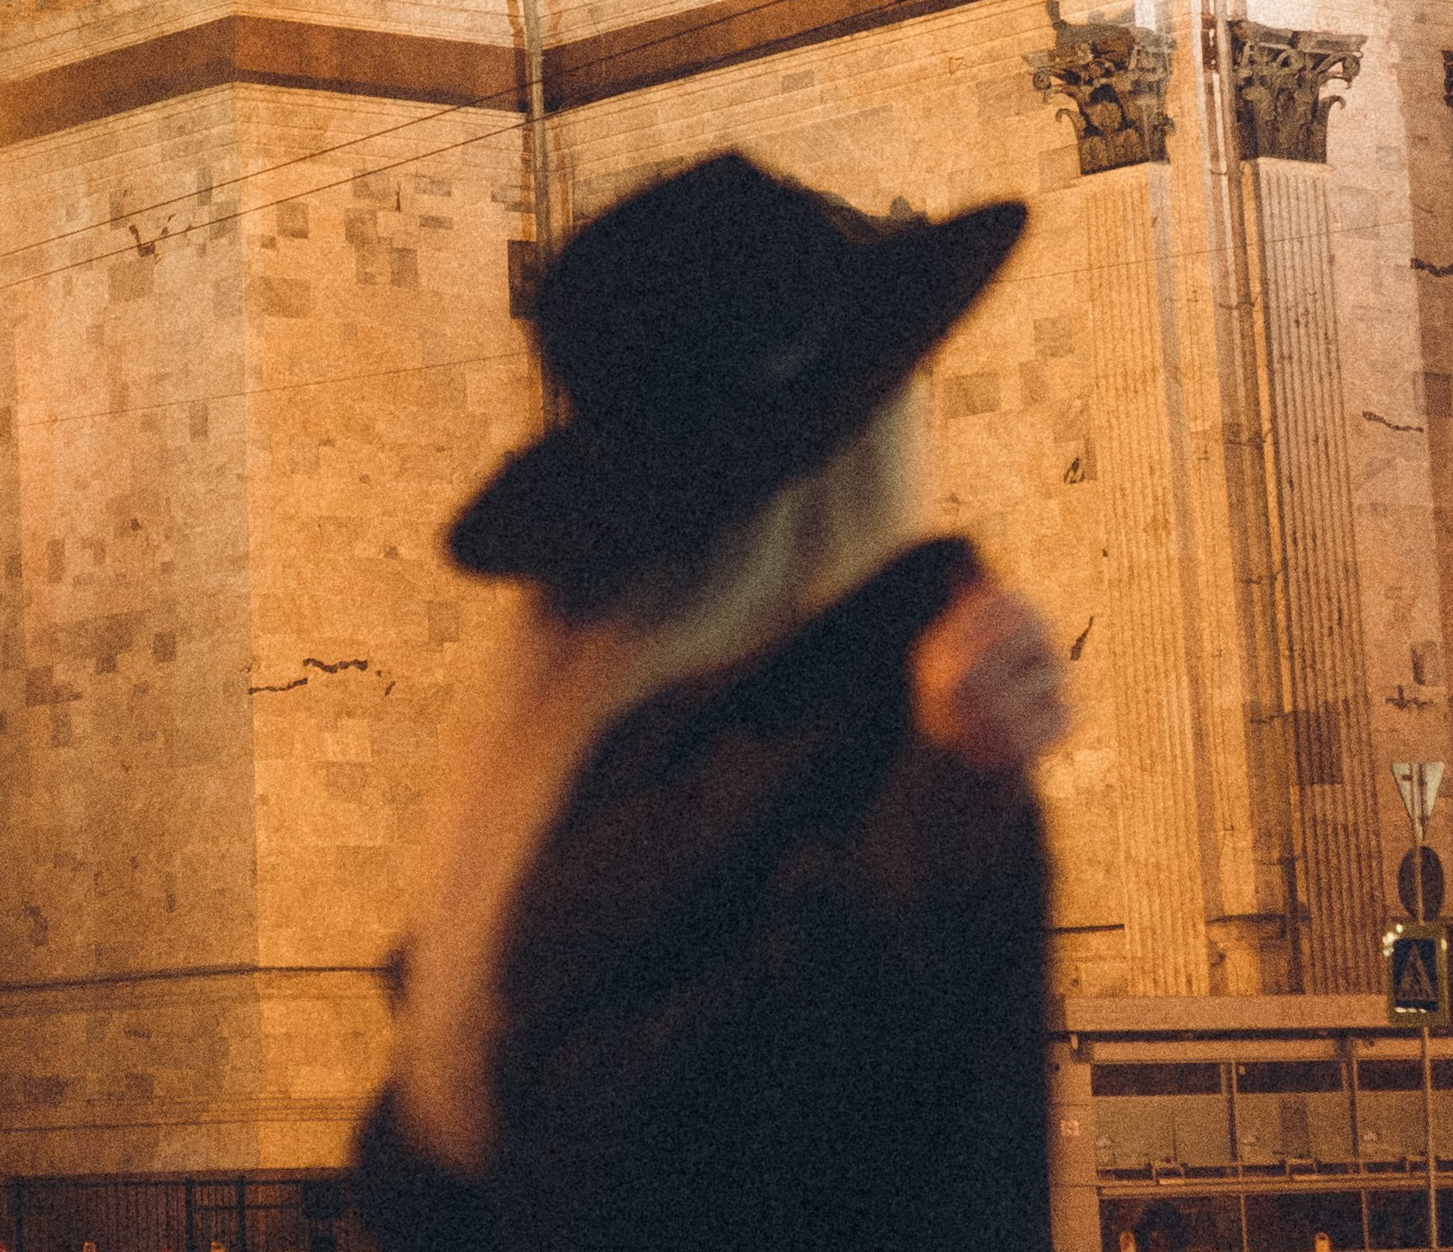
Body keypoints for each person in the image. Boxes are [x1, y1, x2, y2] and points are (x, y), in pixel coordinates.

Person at [354, 151, 1064, 1252]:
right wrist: (925, 836)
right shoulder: (844, 763)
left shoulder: (531, 795)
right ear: (856, 449)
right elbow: (698, 1153)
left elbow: (436, 1179)